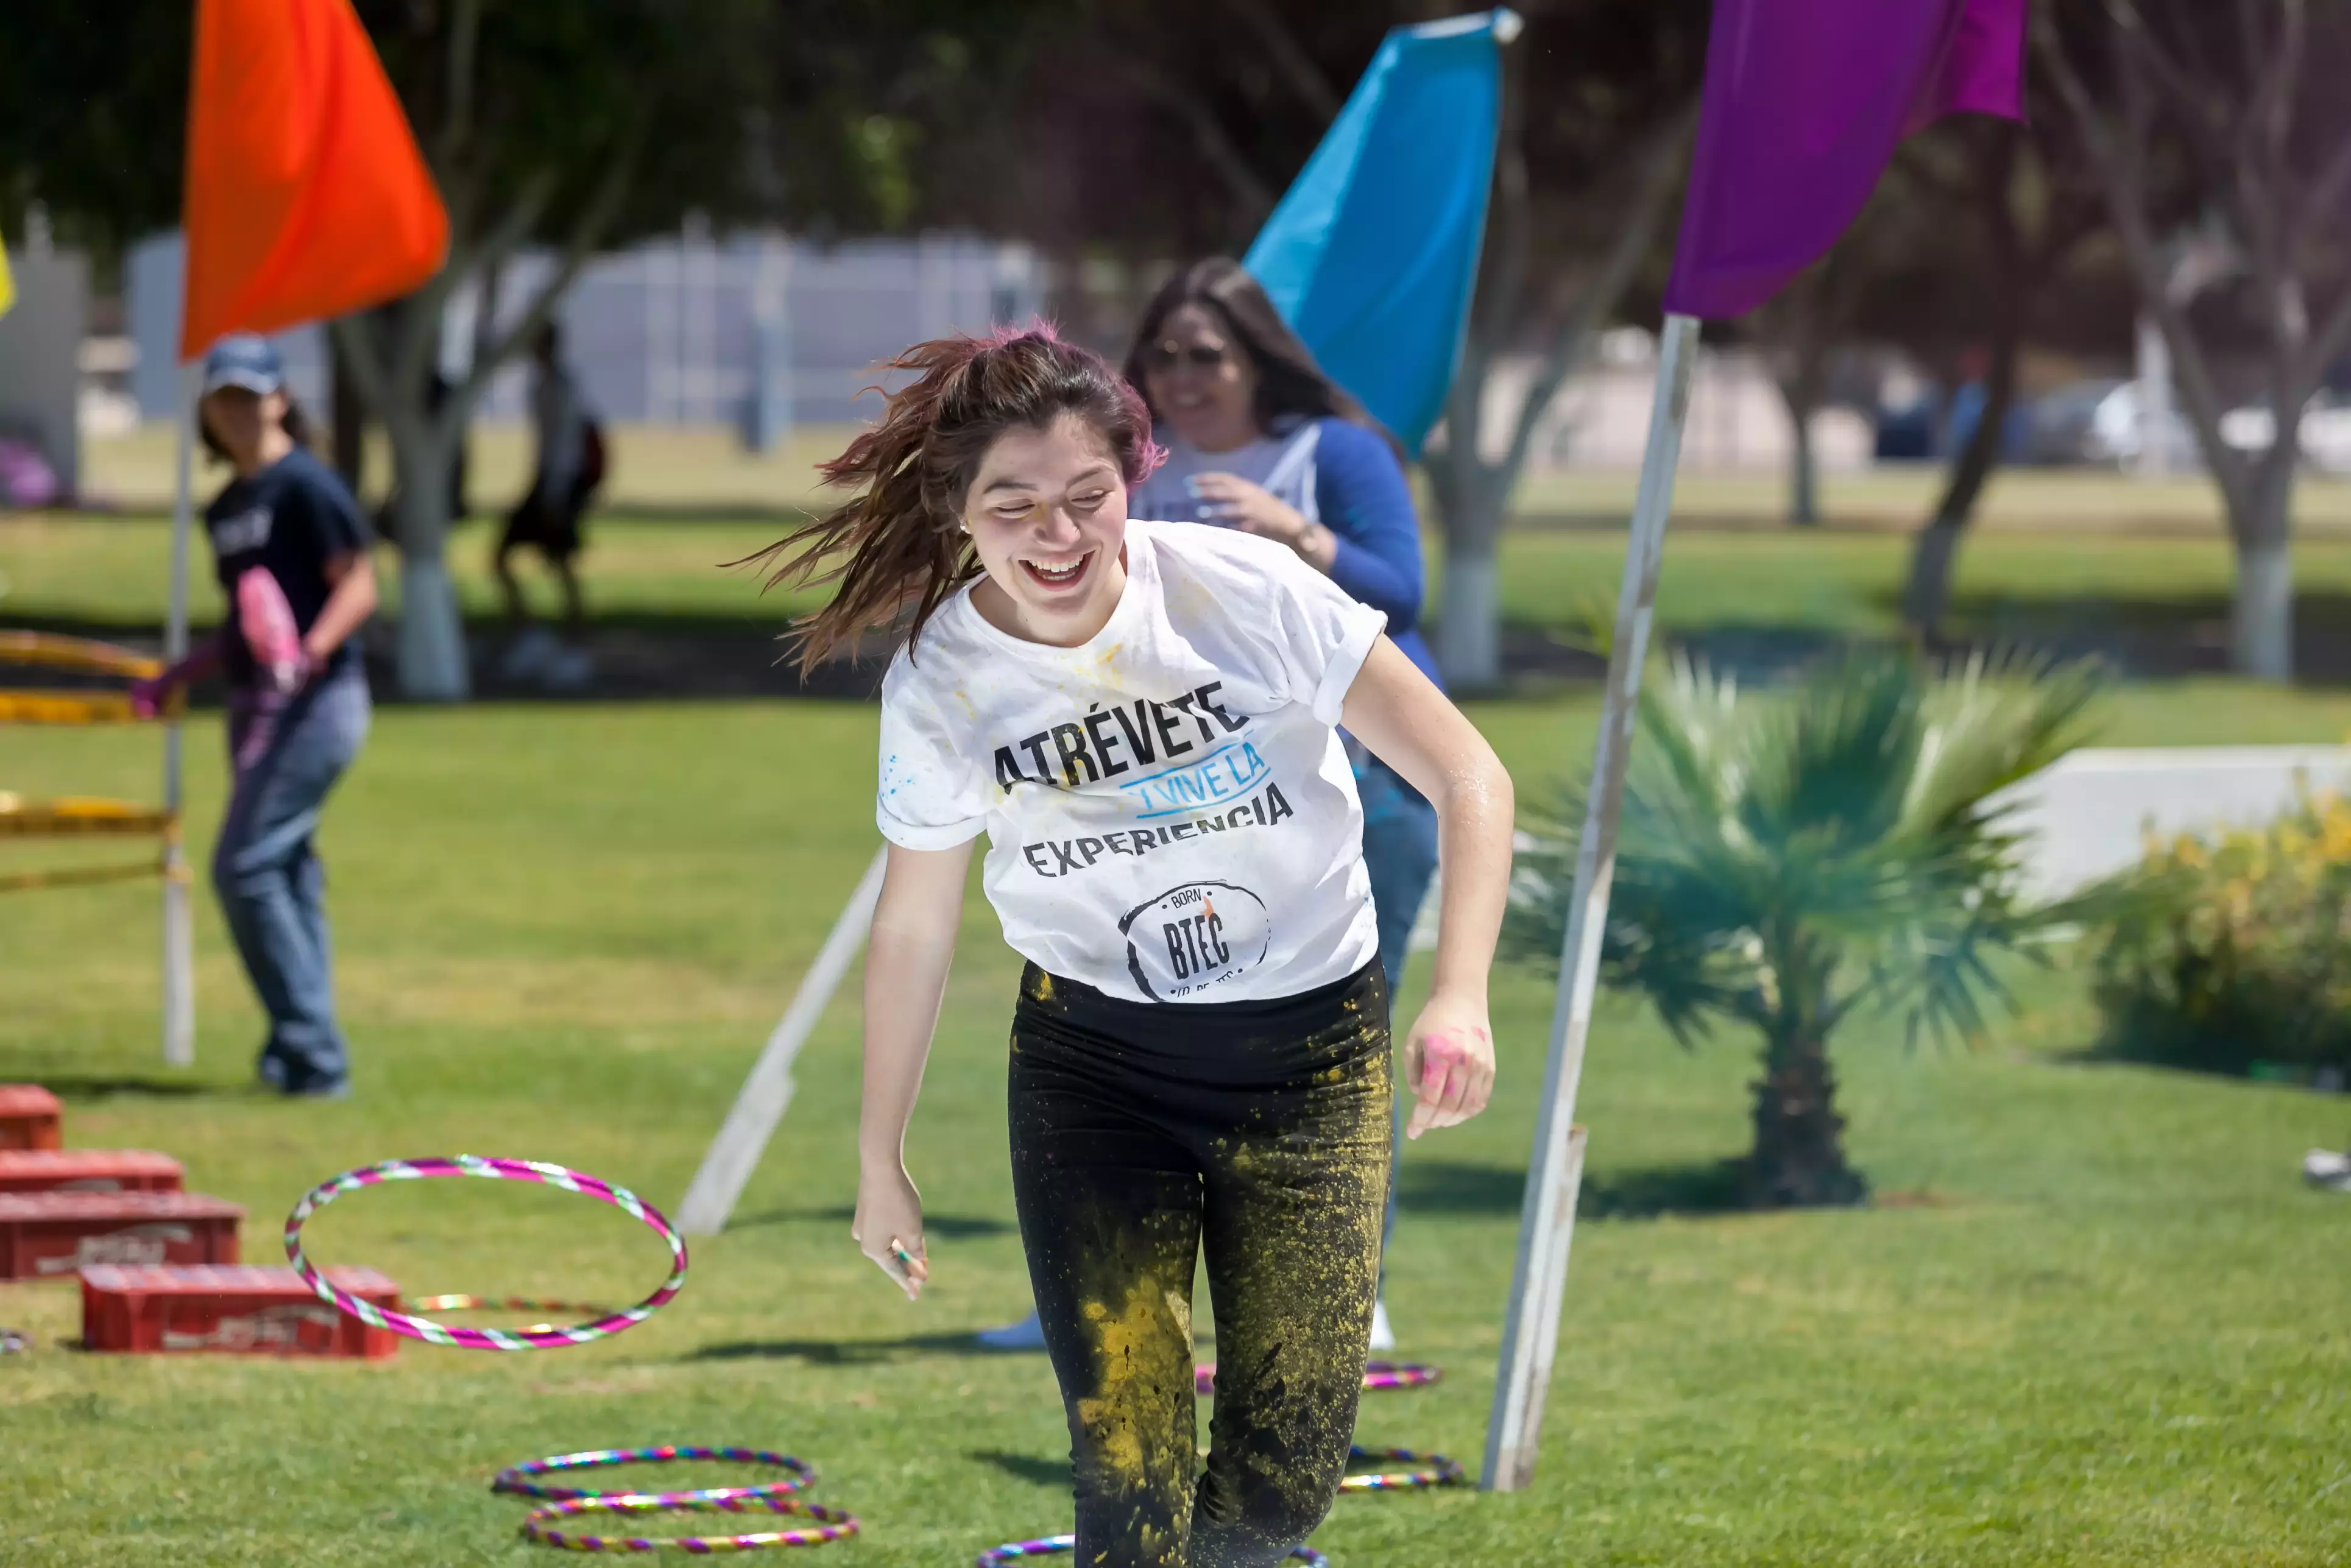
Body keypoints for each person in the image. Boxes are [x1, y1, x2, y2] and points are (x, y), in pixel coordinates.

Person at [749, 325, 1512, 1568]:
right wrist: (878, 1154)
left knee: (1279, 1486)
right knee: (1131, 1470)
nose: (1057, 537)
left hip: (1313, 1063)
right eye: (1015, 507)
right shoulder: (945, 681)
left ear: (1132, 478)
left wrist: (1462, 997)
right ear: (959, 513)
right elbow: (913, 926)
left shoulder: (1242, 593)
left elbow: (1468, 775)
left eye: (1085, 498)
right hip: (1095, 1074)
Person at [980, 257, 1442, 1354]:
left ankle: (1337, 1295)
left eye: (1206, 354)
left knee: (1329, 1056)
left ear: (1253, 357)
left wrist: (1295, 533)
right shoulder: (1126, 473)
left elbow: (1404, 591)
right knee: (1127, 1058)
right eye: (1161, 357)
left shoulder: (1332, 453)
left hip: (1353, 804)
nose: (1182, 377)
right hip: (1166, 810)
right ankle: (1109, 1301)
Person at [133, 335, 377, 1098]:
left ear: (280, 399)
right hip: (255, 707)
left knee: (244, 867)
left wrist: (310, 650)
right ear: (208, 408)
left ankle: (314, 1055)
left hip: (318, 704)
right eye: (223, 397)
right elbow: (249, 623)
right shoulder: (227, 507)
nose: (236, 410)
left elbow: (359, 585)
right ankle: (298, 1052)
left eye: (250, 394)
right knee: (288, 873)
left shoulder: (307, 485)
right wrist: (183, 673)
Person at [496, 320, 603, 688]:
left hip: (557, 486)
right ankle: (534, 635)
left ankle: (577, 643)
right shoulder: (544, 385)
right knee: (509, 560)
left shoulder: (559, 388)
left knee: (560, 562)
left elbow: (562, 448)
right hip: (545, 483)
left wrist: (553, 498)